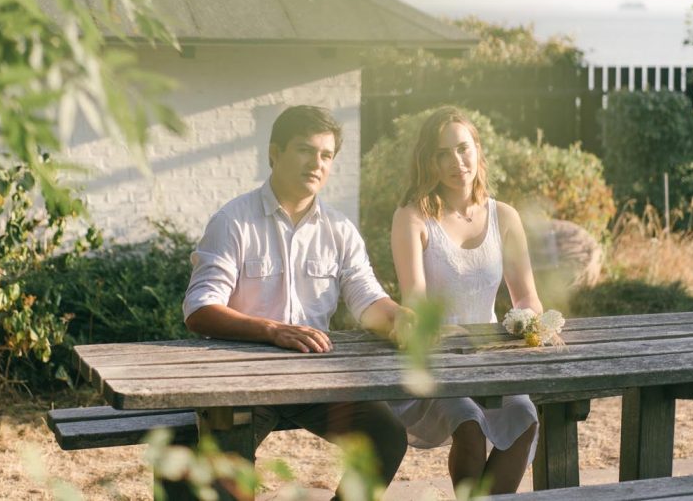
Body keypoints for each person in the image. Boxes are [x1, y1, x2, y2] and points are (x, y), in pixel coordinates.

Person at [183, 105, 411, 499]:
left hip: (315, 379)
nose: (317, 163)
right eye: (306, 150)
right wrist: (272, 330)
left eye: (326, 155)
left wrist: (398, 316)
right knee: (210, 474)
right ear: (274, 153)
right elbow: (200, 310)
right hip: (242, 381)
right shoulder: (233, 221)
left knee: (386, 437)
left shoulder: (340, 229)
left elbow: (367, 299)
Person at [390, 107, 547, 496]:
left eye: (463, 148)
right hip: (435, 358)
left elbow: (526, 296)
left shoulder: (504, 217)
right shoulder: (412, 218)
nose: (455, 162)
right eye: (442, 154)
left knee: (525, 419)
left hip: (493, 357)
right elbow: (415, 300)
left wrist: (526, 322)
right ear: (428, 161)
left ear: (477, 149)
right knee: (470, 423)